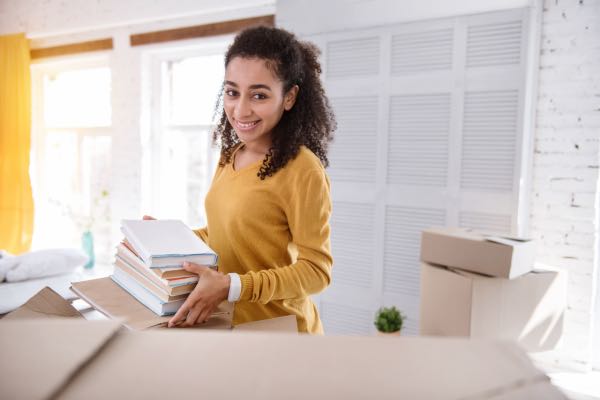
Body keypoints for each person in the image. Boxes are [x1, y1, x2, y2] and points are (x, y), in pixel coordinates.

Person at [159, 26, 336, 334]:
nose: (241, 109)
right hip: (229, 326)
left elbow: (316, 272)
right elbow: (223, 234)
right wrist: (166, 239)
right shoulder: (230, 156)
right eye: (232, 92)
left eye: (259, 95)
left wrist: (233, 285)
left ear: (289, 97)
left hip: (282, 333)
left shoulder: (302, 169)